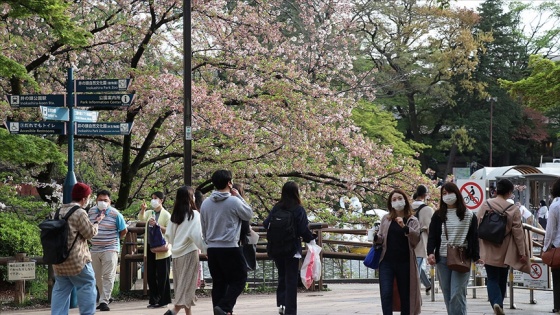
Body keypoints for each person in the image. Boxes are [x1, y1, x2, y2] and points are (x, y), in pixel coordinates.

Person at [200, 170, 253, 315]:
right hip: (230, 247)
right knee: (240, 278)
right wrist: (239, 197)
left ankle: (220, 310)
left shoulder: (205, 203)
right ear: (230, 183)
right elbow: (248, 214)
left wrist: (207, 244)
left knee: (219, 283)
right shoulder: (234, 201)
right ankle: (224, 307)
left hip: (212, 248)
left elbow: (203, 228)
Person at [426, 182, 481, 315]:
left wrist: (476, 256)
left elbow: (474, 237)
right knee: (448, 294)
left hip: (462, 257)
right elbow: (433, 235)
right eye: (444, 193)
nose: (447, 196)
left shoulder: (469, 215)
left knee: (457, 293)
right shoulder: (438, 215)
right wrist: (430, 252)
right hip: (442, 258)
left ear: (457, 194)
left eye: (450, 192)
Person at [477, 179, 530, 315]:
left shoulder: (486, 205)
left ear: (496, 191)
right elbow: (518, 233)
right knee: (502, 277)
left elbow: (477, 226)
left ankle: (496, 302)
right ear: (509, 192)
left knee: (492, 278)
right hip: (505, 248)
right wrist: (522, 252)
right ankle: (499, 303)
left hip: (488, 247)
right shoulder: (513, 209)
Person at [51, 182, 104, 315]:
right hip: (77, 260)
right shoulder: (80, 212)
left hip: (59, 260)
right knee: (87, 284)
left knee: (61, 289)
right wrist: (97, 222)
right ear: (84, 198)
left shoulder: (59, 211)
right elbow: (89, 233)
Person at [264, 181, 316, 315]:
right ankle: (291, 311)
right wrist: (311, 238)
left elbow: (266, 224)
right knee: (291, 279)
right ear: (296, 192)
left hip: (276, 248)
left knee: (282, 276)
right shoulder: (298, 209)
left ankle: (281, 304)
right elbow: (302, 229)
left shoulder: (277, 207)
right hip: (292, 248)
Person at [374, 188, 421, 315]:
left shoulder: (412, 220)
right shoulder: (386, 219)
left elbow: (416, 240)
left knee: (405, 295)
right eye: (394, 199)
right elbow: (381, 238)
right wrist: (375, 237)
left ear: (405, 200)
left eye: (399, 198)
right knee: (386, 293)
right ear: (390, 204)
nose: (397, 201)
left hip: (405, 263)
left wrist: (405, 227)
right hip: (386, 262)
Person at [164, 186, 207, 315]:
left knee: (181, 285)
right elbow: (197, 236)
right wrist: (206, 249)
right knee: (188, 286)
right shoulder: (194, 215)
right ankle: (174, 311)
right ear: (190, 198)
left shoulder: (175, 216)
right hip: (189, 253)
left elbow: (169, 236)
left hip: (176, 254)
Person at [87, 190, 127, 311]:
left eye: (105, 200)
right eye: (100, 200)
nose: (103, 202)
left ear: (110, 202)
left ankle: (104, 301)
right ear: (96, 200)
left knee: (108, 275)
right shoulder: (91, 211)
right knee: (97, 276)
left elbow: (124, 230)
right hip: (95, 248)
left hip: (110, 248)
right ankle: (105, 297)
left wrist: (114, 240)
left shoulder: (116, 214)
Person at [138, 191, 172, 308]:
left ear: (161, 200)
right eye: (152, 198)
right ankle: (154, 299)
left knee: (162, 275)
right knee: (151, 275)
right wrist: (143, 209)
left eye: (155, 198)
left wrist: (157, 225)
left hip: (162, 249)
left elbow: (170, 230)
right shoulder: (150, 212)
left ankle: (164, 300)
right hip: (150, 248)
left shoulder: (166, 215)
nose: (153, 200)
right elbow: (141, 218)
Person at [411, 184, 434, 294]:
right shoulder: (428, 209)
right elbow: (431, 229)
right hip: (421, 241)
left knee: (416, 265)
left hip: (409, 241)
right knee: (417, 267)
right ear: (425, 195)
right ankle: (413, 290)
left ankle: (427, 284)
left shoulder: (409, 207)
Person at [544, 178, 560, 313]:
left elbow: (550, 231)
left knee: (557, 278)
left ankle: (558, 306)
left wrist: (546, 247)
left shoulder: (555, 206)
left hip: (558, 247)